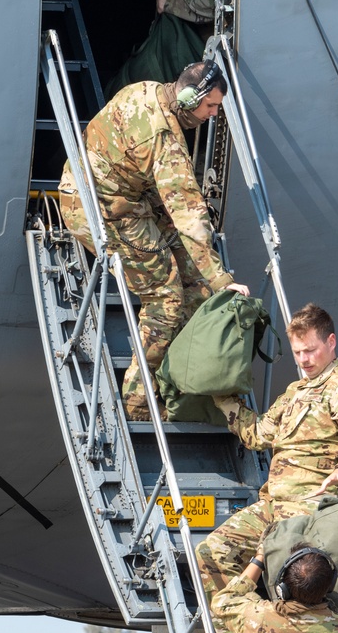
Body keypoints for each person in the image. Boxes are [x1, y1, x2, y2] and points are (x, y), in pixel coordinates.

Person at [58, 61, 248, 419]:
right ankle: (138, 399)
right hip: (96, 208)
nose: (213, 114)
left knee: (192, 276)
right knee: (166, 296)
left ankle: (187, 374)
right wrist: (224, 281)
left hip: (107, 190)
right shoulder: (166, 141)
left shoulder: (146, 90)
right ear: (191, 98)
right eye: (210, 106)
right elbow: (189, 217)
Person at [196, 303, 338, 633]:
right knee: (211, 552)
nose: (304, 360)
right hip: (272, 506)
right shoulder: (296, 392)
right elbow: (259, 434)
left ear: (331, 342)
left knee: (287, 582)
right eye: (297, 353)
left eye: (311, 350)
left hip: (308, 509)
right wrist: (222, 396)